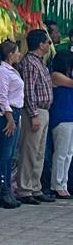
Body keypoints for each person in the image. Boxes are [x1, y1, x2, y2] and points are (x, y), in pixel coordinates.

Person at [17, 28, 54, 205]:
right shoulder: (30, 63)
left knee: (39, 152)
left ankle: (35, 186)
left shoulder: (40, 62)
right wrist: (33, 114)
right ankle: (24, 189)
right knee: (30, 150)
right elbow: (28, 90)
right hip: (35, 110)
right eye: (47, 42)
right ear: (40, 44)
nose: (49, 45)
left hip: (44, 110)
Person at [0, 40, 25, 208]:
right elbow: (2, 96)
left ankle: (7, 191)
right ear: (10, 54)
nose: (19, 55)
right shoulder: (2, 71)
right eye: (17, 52)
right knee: (4, 154)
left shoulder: (12, 71)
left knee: (10, 153)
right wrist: (10, 118)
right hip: (5, 112)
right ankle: (2, 189)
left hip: (15, 111)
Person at [49, 49, 73, 198]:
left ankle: (63, 183)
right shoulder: (56, 76)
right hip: (61, 117)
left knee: (69, 153)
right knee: (61, 153)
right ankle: (57, 184)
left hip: (70, 117)